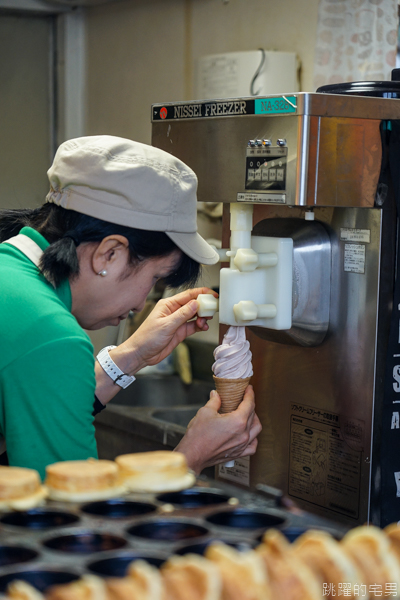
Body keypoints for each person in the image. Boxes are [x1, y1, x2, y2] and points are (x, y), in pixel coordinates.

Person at [0, 135, 261, 480]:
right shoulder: (50, 335)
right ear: (109, 253)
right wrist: (190, 458)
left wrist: (133, 355)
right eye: (154, 279)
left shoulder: (12, 277)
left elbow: (33, 405)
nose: (142, 304)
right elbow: (73, 517)